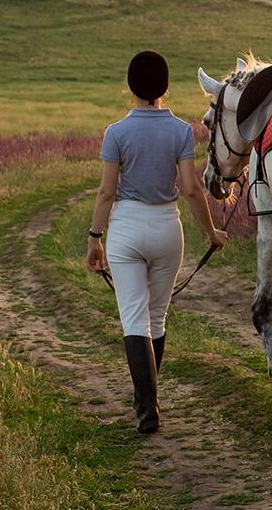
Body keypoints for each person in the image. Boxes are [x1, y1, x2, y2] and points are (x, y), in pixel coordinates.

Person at [85, 50, 229, 433]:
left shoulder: (116, 133)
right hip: (168, 228)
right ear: (164, 87)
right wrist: (211, 233)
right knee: (156, 317)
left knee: (134, 317)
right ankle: (147, 395)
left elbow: (105, 193)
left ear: (131, 87)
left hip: (127, 229)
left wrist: (94, 238)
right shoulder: (180, 131)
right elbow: (191, 189)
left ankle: (147, 406)